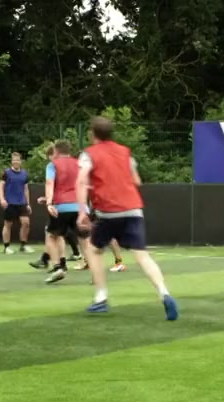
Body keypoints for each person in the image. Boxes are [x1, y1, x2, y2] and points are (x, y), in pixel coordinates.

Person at [76, 115, 178, 320]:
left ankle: (101, 298)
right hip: (133, 209)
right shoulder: (125, 152)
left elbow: (80, 181)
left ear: (92, 134)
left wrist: (82, 212)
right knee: (142, 255)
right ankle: (164, 293)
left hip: (107, 212)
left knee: (94, 250)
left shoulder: (89, 154)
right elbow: (137, 181)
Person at [30, 140, 89, 283]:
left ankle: (58, 267)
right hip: (80, 206)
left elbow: (50, 183)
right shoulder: (79, 164)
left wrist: (49, 202)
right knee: (85, 239)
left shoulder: (53, 165)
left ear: (56, 151)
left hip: (62, 206)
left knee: (51, 235)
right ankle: (95, 271)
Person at [0, 152, 33, 254]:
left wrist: (28, 204)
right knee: (8, 224)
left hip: (22, 203)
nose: (15, 162)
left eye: (17, 160)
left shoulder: (24, 174)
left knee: (26, 223)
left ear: (21, 161)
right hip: (9, 203)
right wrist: (2, 199)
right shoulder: (6, 173)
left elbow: (26, 189)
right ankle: (6, 247)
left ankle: (23, 245)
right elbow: (0, 187)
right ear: (11, 161)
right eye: (14, 160)